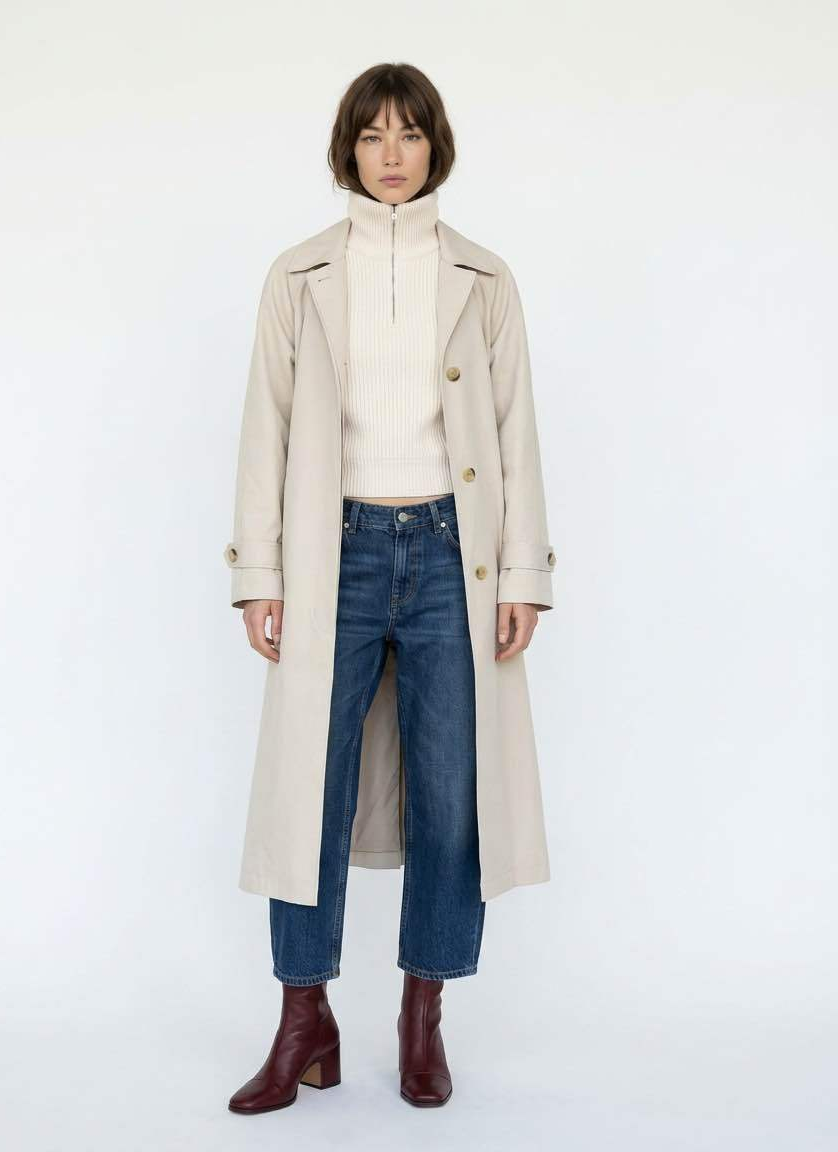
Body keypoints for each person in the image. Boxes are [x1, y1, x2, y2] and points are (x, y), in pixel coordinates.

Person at [227, 62, 557, 1114]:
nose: (391, 154)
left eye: (409, 134)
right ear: (348, 149)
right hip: (335, 553)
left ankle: (424, 1017)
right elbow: (267, 427)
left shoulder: (485, 278)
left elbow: (514, 429)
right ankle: (303, 1019)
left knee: (452, 795)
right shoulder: (298, 274)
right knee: (307, 792)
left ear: (434, 145)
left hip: (453, 555)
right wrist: (260, 574)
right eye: (371, 136)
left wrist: (522, 573)